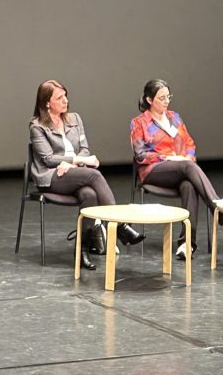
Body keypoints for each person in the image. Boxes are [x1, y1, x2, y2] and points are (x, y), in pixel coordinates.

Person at [29, 80, 143, 270]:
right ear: (47, 103)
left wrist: (73, 162)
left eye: (65, 95)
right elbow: (48, 159)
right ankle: (120, 225)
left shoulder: (74, 119)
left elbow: (84, 149)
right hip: (51, 177)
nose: (65, 100)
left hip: (72, 172)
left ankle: (81, 252)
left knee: (89, 195)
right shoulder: (37, 126)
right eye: (59, 97)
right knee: (94, 175)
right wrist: (74, 162)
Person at [130, 79, 223, 260]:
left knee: (189, 185)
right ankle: (220, 210)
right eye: (161, 98)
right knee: (188, 168)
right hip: (153, 171)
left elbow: (189, 143)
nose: (166, 101)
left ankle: (186, 243)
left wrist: (187, 157)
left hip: (181, 167)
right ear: (149, 100)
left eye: (168, 97)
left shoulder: (175, 117)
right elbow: (140, 155)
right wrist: (168, 158)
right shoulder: (139, 122)